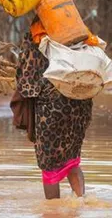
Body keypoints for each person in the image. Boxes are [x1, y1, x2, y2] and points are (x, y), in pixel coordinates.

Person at [16, 16, 93, 199]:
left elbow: (28, 82)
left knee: (49, 165)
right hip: (80, 104)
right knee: (72, 160)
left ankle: (53, 211)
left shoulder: (36, 34)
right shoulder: (76, 30)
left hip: (52, 108)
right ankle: (80, 205)